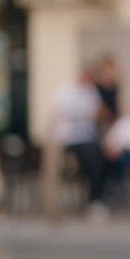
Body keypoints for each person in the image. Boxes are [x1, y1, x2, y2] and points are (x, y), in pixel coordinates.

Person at [53, 67, 108, 222]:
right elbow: (59, 113)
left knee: (100, 157)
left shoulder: (91, 92)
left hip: (87, 136)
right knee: (91, 156)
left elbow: (98, 112)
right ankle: (95, 200)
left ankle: (97, 199)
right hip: (70, 137)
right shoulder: (66, 90)